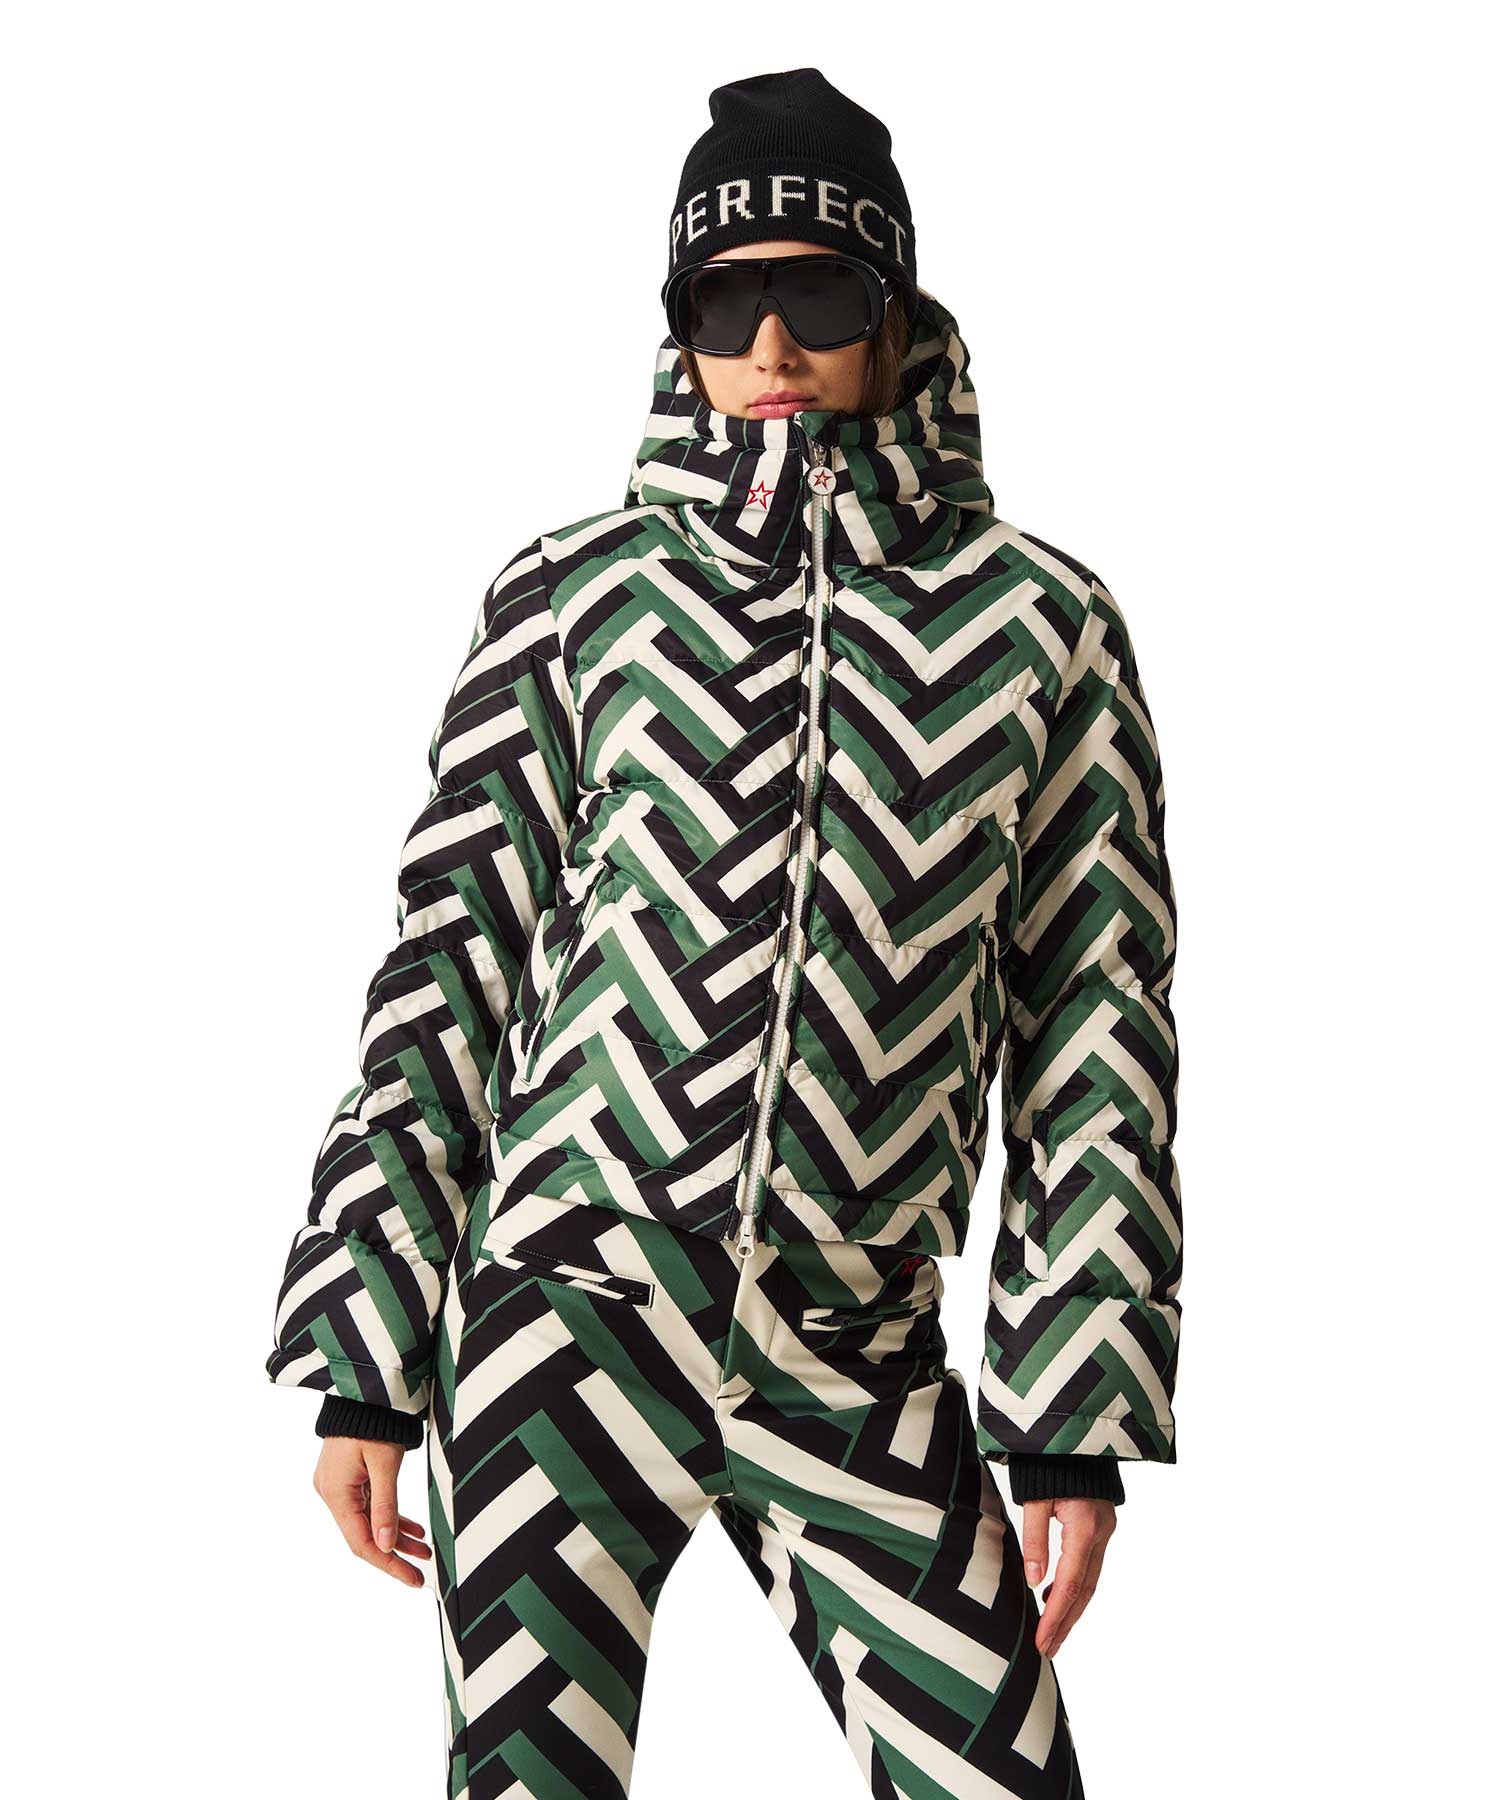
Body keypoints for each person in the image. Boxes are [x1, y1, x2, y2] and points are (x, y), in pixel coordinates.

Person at [266, 66, 1183, 1800]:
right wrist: (366, 1360)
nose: (770, 343)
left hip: (859, 1340)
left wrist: (1075, 1412)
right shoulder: (577, 593)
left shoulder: (1042, 624)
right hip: (564, 1319)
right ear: (679, 327)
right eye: (721, 301)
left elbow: (1096, 1026)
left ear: (894, 314)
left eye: (819, 296)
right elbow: (449, 962)